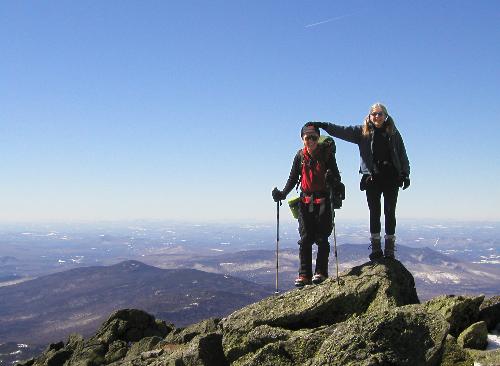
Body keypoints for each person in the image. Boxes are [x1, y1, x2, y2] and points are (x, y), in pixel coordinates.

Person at [311, 103, 410, 260]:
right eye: (374, 114)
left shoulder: (393, 133)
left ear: (386, 116)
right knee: (375, 212)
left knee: (390, 212)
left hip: (391, 178)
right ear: (369, 116)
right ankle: (376, 249)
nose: (377, 116)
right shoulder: (362, 132)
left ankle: (389, 250)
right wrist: (324, 125)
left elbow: (402, 154)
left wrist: (405, 173)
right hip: (372, 179)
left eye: (380, 114)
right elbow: (341, 131)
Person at [272, 123, 344, 287]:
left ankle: (321, 273)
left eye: (314, 137)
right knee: (305, 239)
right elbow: (292, 178)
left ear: (318, 138)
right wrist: (282, 194)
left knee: (322, 238)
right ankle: (304, 274)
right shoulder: (300, 156)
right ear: (302, 138)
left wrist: (332, 180)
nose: (310, 140)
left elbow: (337, 179)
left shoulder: (327, 155)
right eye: (307, 137)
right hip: (305, 202)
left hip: (324, 202)